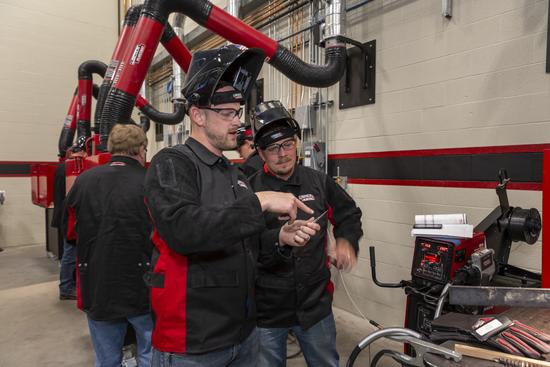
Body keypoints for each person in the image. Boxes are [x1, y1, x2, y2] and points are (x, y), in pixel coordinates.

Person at [144, 44, 320, 367]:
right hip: (192, 346)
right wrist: (260, 201)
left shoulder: (234, 174)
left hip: (243, 337)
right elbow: (185, 231)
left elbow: (243, 245)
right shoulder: (172, 164)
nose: (237, 122)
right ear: (197, 115)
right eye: (227, 113)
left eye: (238, 112)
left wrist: (279, 239)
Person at [249, 100, 364, 367]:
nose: (282, 153)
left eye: (288, 144)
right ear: (261, 153)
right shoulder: (250, 190)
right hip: (267, 308)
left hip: (315, 306)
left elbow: (349, 213)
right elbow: (243, 243)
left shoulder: (318, 181)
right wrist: (277, 238)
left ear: (297, 144)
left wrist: (346, 242)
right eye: (273, 148)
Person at [65, 124, 153, 367]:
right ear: (141, 149)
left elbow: (70, 233)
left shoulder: (84, 181)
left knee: (106, 360)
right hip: (143, 286)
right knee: (149, 356)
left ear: (111, 148)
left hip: (98, 283)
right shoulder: (151, 182)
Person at [52, 147, 84, 300]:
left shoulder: (63, 166)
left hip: (64, 215)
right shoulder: (72, 167)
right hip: (69, 218)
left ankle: (69, 285)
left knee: (69, 253)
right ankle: (66, 287)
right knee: (70, 254)